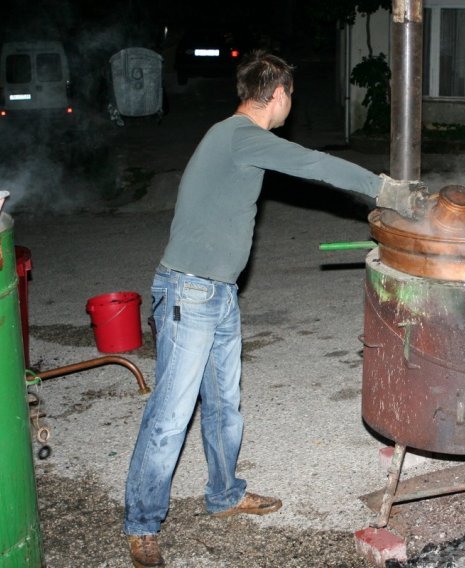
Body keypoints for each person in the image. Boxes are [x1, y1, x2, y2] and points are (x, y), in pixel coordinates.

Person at [123, 50, 426, 568]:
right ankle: (142, 523)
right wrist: (384, 189)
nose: (292, 105)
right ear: (279, 92)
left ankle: (224, 495)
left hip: (217, 293)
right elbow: (313, 163)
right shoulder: (240, 136)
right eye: (291, 95)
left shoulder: (232, 137)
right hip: (190, 293)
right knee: (171, 416)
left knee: (223, 406)